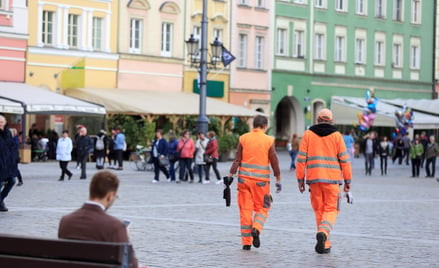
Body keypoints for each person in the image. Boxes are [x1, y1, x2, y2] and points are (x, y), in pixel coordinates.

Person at [296, 108, 352, 254]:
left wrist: (300, 179)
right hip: (332, 181)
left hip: (314, 180)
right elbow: (345, 161)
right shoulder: (337, 136)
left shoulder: (308, 134)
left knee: (319, 210)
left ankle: (325, 244)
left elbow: (301, 159)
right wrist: (347, 180)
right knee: (332, 209)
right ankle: (323, 233)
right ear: (331, 121)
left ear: (317, 119)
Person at [58, 171, 138, 268]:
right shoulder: (115, 227)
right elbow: (131, 265)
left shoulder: (66, 221)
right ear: (110, 196)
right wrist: (126, 236)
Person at [228, 115, 282, 250]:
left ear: (253, 125)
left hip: (243, 181)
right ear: (265, 126)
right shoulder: (269, 140)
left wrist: (231, 174)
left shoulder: (243, 138)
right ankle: (256, 229)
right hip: (261, 183)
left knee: (245, 211)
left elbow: (237, 159)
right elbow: (274, 160)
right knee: (263, 207)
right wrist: (278, 178)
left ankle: (246, 243)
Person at [0, 115, 18, 212]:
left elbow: (12, 147)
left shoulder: (8, 133)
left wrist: (15, 158)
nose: (1, 123)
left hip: (8, 163)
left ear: (5, 122)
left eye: (2, 121)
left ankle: (1, 200)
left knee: (12, 181)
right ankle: (1, 204)